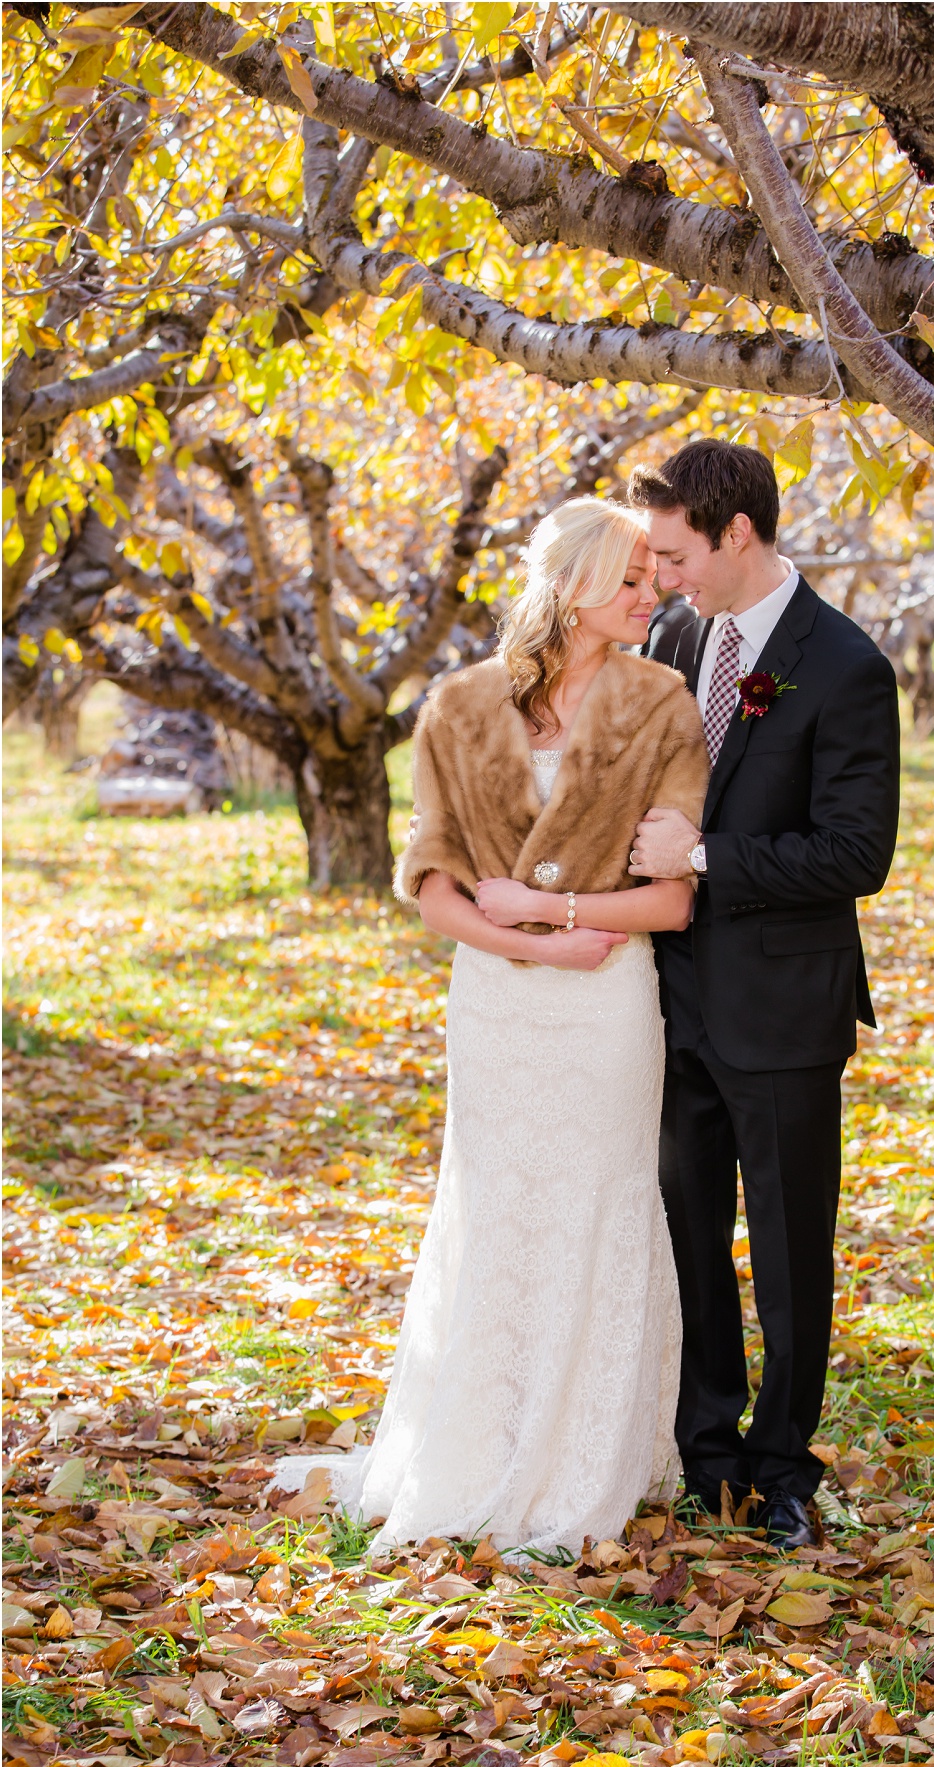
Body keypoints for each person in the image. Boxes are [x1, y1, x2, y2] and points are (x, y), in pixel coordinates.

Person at [276, 498, 709, 1556]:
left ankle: (582, 1460)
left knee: (598, 1201)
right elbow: (430, 886)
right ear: (570, 589)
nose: (652, 598)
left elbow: (670, 903)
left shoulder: (665, 704)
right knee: (498, 1204)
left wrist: (557, 918)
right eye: (631, 582)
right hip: (499, 1007)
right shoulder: (460, 708)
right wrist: (522, 940)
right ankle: (482, 1436)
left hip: (607, 999)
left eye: (655, 580)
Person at [626, 441, 901, 1549]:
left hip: (784, 1010)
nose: (664, 576)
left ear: (736, 532)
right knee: (690, 1231)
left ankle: (786, 1468)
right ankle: (710, 1453)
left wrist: (705, 860)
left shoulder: (844, 665)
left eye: (677, 553)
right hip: (670, 998)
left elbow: (854, 852)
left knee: (789, 1249)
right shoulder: (676, 636)